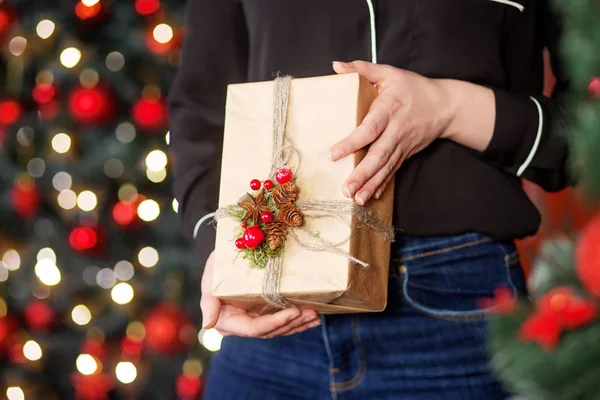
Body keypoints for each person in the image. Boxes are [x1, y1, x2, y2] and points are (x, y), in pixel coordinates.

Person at [168, 1, 571, 398]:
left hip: (453, 311)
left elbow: (588, 121)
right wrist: (219, 247)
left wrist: (449, 107)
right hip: (270, 293)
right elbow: (200, 111)